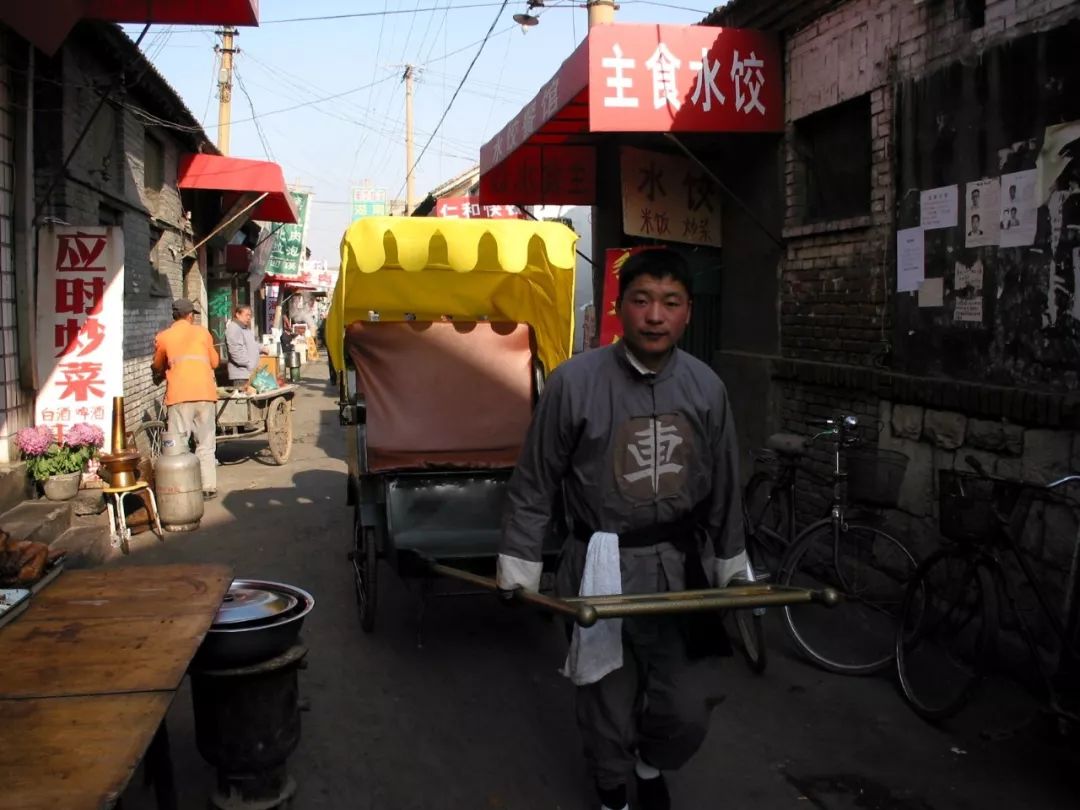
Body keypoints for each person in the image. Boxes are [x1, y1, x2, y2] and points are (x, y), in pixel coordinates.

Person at [496, 249, 747, 810]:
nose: (655, 315)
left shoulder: (707, 389)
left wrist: (732, 566)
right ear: (619, 308)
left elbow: (727, 484)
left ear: (686, 314)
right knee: (606, 696)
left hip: (684, 569)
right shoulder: (573, 383)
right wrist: (520, 565)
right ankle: (613, 787)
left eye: (670, 302)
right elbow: (535, 481)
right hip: (600, 564)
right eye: (641, 300)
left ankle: (651, 762)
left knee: (689, 701)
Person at [151, 299, 220, 499]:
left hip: (179, 397)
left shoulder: (164, 337)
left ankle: (182, 487)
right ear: (190, 315)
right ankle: (208, 487)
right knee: (205, 443)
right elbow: (214, 362)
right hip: (205, 395)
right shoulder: (202, 333)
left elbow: (157, 365)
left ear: (174, 315)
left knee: (179, 445)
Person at [225, 305, 265, 388]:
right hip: (241, 375)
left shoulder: (245, 329)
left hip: (249, 373)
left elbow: (252, 344)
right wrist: (249, 364)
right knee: (245, 399)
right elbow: (235, 351)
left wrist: (262, 348)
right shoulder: (233, 329)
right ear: (237, 314)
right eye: (247, 315)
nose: (249, 318)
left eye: (250, 315)